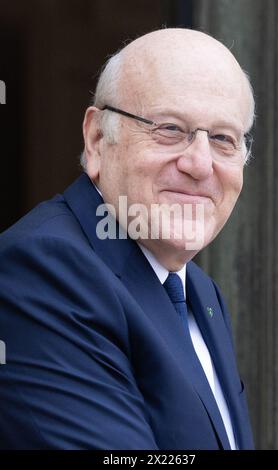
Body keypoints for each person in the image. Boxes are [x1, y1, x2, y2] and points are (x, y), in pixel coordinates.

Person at [0, 28, 255, 450]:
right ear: (98, 140)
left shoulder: (199, 291)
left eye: (224, 139)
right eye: (170, 128)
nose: (199, 164)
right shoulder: (41, 272)